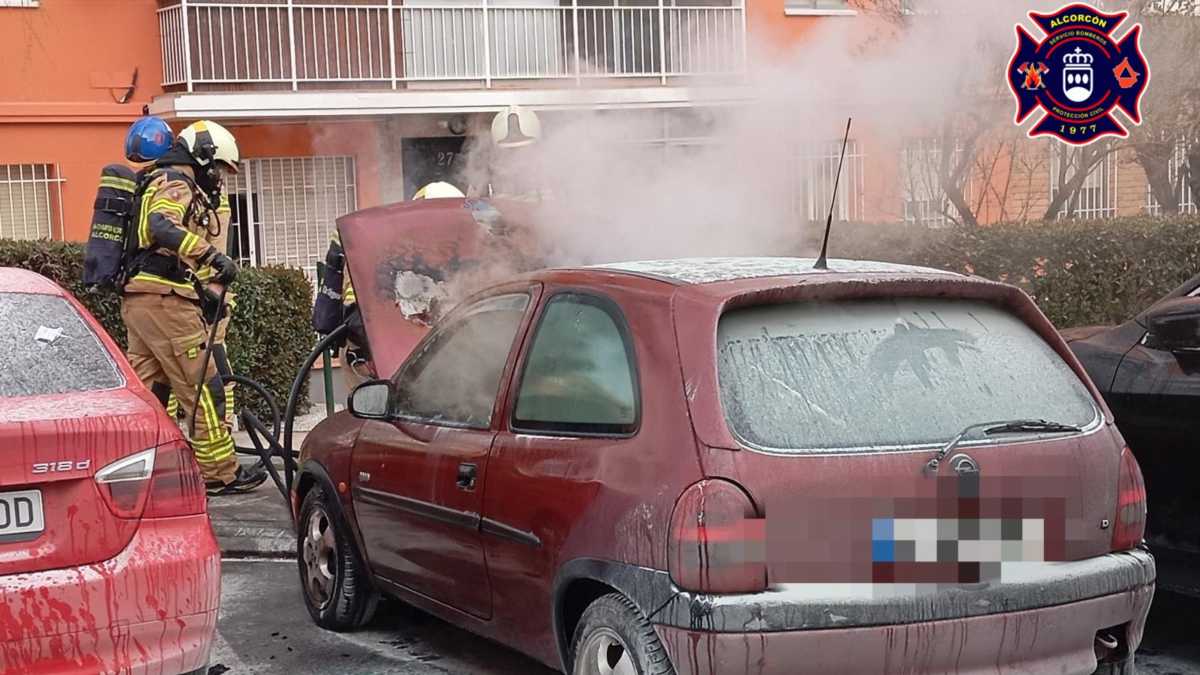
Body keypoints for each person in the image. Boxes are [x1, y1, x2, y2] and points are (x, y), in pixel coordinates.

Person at [120, 120, 265, 495]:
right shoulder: (178, 183)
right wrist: (212, 256)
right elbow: (162, 226)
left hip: (141, 300)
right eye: (218, 169)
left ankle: (142, 470)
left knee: (149, 393)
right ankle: (220, 474)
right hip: (167, 302)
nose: (218, 178)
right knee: (202, 387)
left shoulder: (156, 180)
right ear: (203, 158)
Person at [314, 181, 465, 391]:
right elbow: (362, 319)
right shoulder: (389, 252)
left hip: (417, 361)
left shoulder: (449, 255)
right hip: (369, 363)